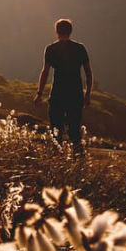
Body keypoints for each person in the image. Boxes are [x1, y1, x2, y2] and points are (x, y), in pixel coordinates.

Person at [33, 18, 93, 154]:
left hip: (57, 95)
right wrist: (87, 94)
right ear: (70, 31)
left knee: (56, 131)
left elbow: (45, 72)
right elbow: (88, 73)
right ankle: (79, 163)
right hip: (75, 94)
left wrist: (39, 94)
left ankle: (57, 160)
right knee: (75, 131)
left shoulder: (51, 49)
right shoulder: (79, 48)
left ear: (56, 32)